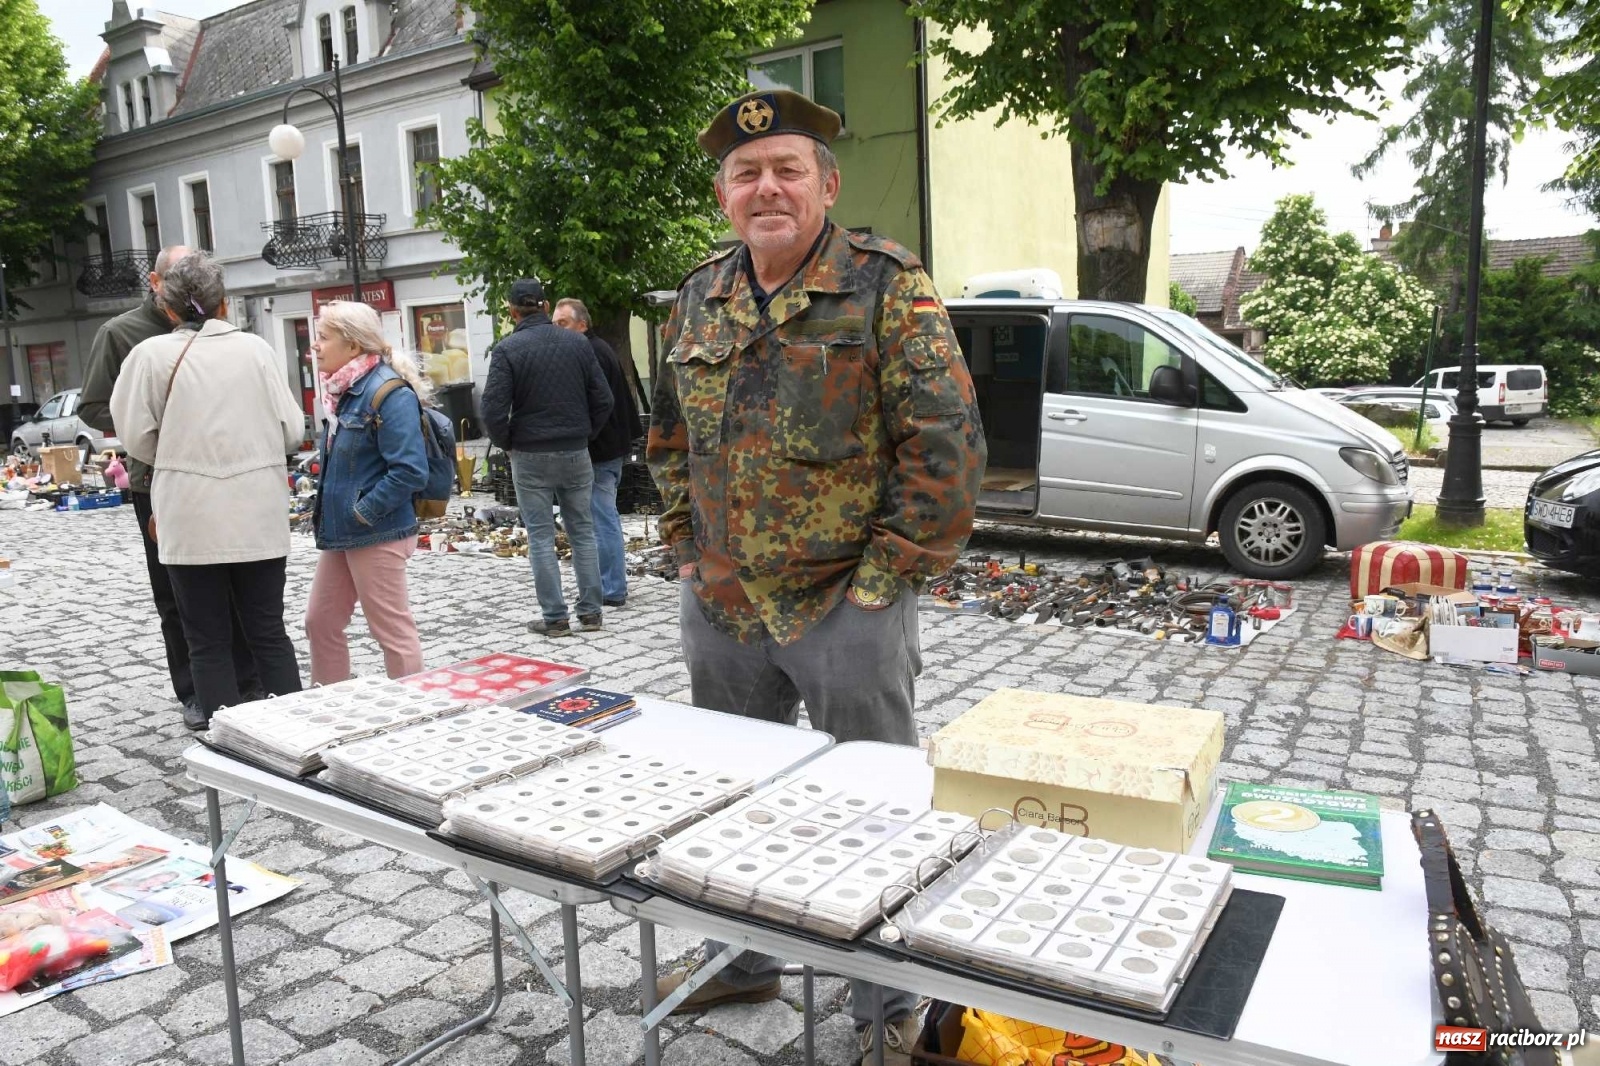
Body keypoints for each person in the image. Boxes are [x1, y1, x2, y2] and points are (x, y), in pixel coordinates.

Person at [646, 90, 986, 1065]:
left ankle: (886, 1000)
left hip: (847, 604)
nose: (767, 188)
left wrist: (883, 582)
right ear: (724, 197)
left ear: (824, 184)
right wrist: (683, 546)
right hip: (724, 605)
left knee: (877, 809)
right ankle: (742, 956)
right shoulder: (698, 293)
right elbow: (667, 435)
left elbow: (947, 447)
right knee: (731, 796)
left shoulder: (885, 284)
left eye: (786, 169)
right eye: (746, 174)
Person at [109, 253, 305, 725]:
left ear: (169, 309)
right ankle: (297, 730)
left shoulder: (150, 356)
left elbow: (134, 435)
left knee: (207, 638)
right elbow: (292, 430)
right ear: (222, 304)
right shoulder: (256, 350)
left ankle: (228, 740)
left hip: (190, 513)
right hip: (257, 507)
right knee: (267, 629)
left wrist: (178, 452)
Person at [78, 245, 261, 730]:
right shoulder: (120, 333)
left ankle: (248, 679)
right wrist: (160, 422)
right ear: (157, 284)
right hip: (157, 480)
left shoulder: (222, 332)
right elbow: (93, 406)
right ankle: (195, 692)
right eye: (178, 277)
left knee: (241, 582)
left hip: (227, 475)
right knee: (175, 594)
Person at [303, 300, 430, 683]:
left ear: (354, 346)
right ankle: (331, 706)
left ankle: (415, 715)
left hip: (376, 531)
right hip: (344, 532)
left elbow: (410, 470)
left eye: (324, 337)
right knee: (320, 621)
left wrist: (363, 511)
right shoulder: (341, 392)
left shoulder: (389, 393)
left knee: (391, 631)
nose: (315, 345)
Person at [482, 278, 613, 637]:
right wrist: (584, 433)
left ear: (511, 311)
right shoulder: (577, 343)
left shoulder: (507, 350)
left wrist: (510, 443)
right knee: (583, 531)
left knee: (540, 536)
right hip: (575, 450)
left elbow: (492, 410)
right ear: (545, 305)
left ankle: (555, 618)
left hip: (530, 453)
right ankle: (591, 614)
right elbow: (604, 400)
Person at [553, 297, 640, 608]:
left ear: (582, 324)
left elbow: (601, 404)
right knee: (602, 517)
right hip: (607, 447)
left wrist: (584, 437)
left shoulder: (589, 351)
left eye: (563, 323)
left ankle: (611, 587)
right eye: (554, 324)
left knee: (601, 519)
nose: (557, 330)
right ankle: (608, 584)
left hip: (599, 451)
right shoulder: (596, 348)